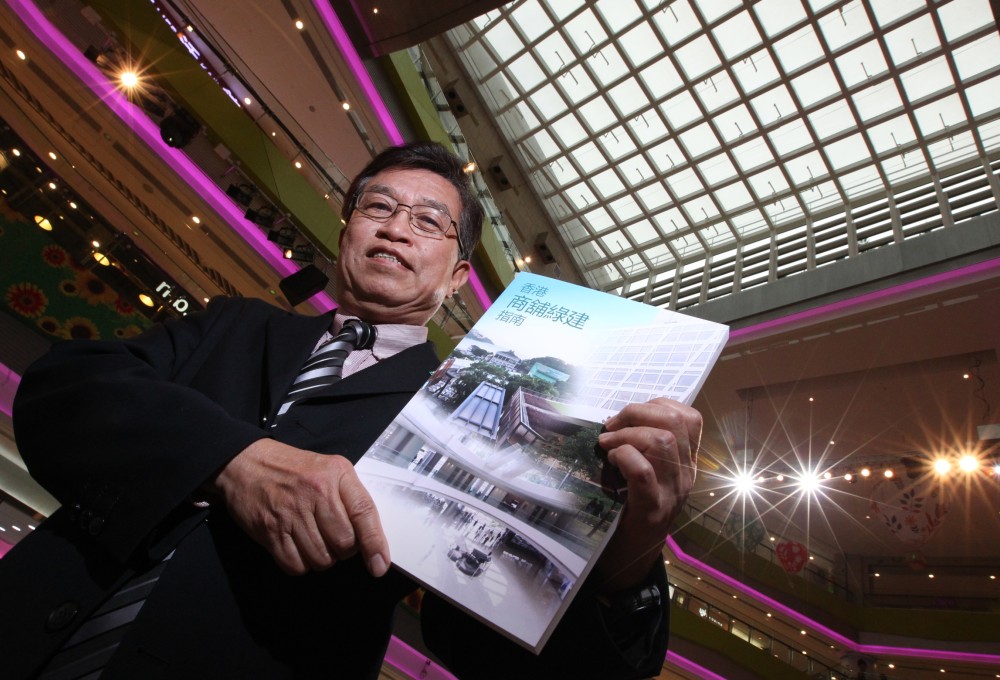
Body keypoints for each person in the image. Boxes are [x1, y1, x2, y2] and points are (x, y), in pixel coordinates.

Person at [1, 142, 702, 679]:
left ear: (458, 276)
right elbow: (69, 390)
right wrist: (232, 461)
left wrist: (628, 561)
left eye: (429, 222)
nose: (397, 228)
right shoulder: (235, 324)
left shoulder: (454, 406)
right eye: (378, 207)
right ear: (346, 233)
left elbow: (490, 647)